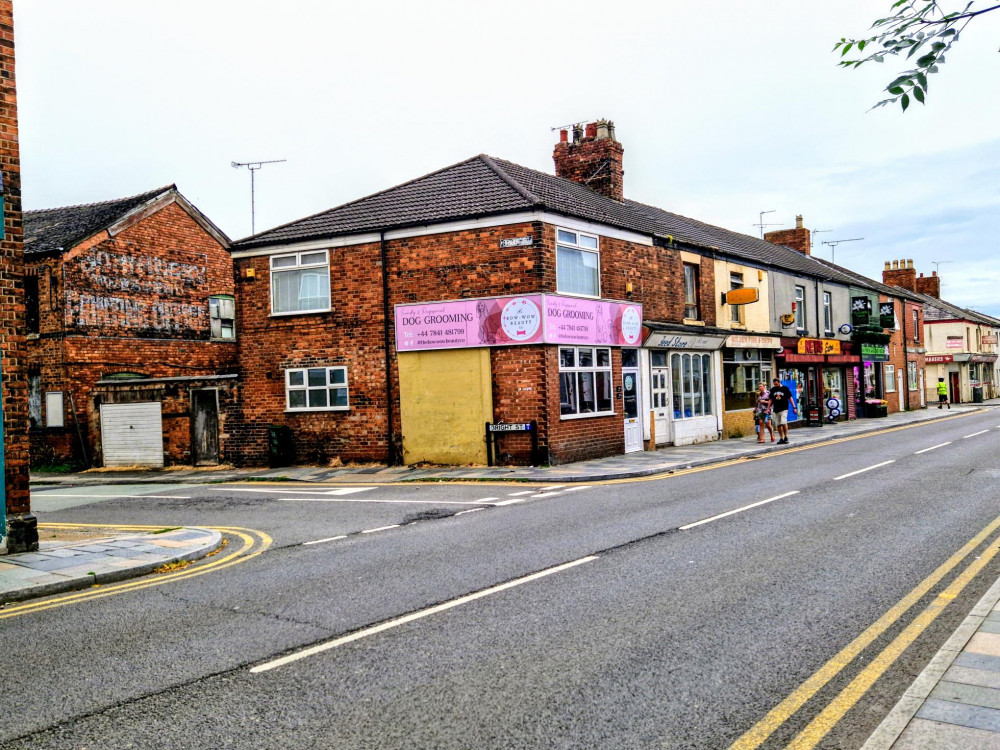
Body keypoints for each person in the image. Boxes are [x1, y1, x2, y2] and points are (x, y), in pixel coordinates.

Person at [769, 377, 794, 444]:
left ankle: (786, 437)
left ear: (779, 382)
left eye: (776, 384)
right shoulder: (773, 390)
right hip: (776, 409)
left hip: (784, 408)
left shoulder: (785, 388)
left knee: (783, 422)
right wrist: (768, 407)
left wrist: (794, 407)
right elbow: (771, 400)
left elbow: (790, 398)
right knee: (778, 424)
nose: (775, 386)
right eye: (774, 384)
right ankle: (781, 438)